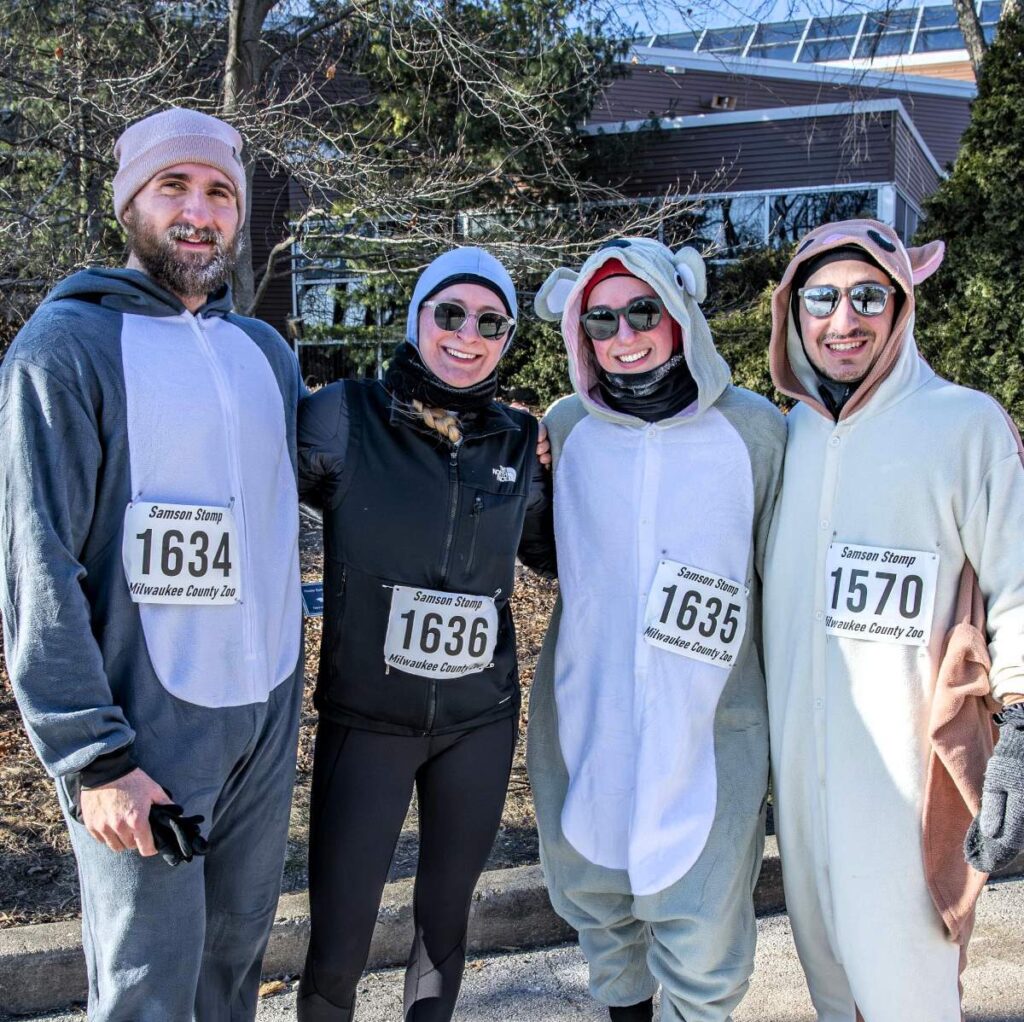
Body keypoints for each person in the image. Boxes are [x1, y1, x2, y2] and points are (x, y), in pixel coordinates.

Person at [0, 107, 304, 1021]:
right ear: (130, 201)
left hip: (263, 729)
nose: (199, 212)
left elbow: (347, 467)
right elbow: (34, 566)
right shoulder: (64, 349)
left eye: (218, 193)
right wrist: (93, 758)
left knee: (230, 975)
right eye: (174, 186)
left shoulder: (265, 353)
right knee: (146, 993)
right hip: (145, 741)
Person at [763, 218, 1024, 1022]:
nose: (845, 320)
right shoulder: (791, 434)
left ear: (902, 305)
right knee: (833, 994)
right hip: (801, 795)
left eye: (869, 296)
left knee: (910, 998)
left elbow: (1018, 579)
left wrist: (1020, 726)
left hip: (906, 794)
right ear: (793, 315)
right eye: (823, 299)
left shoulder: (964, 424)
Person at [527, 237, 786, 1022]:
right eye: (601, 320)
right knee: (601, 910)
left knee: (703, 931)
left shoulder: (757, 432)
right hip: (588, 715)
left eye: (643, 311)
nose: (625, 336)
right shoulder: (564, 429)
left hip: (711, 725)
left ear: (680, 312)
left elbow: (787, 566)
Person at [295, 246, 554, 1021]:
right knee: (338, 942)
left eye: (490, 322)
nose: (467, 336)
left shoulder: (521, 437)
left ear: (507, 338)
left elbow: (558, 553)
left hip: (479, 720)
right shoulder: (344, 416)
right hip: (367, 721)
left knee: (445, 928)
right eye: (449, 314)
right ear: (417, 319)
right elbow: (248, 494)